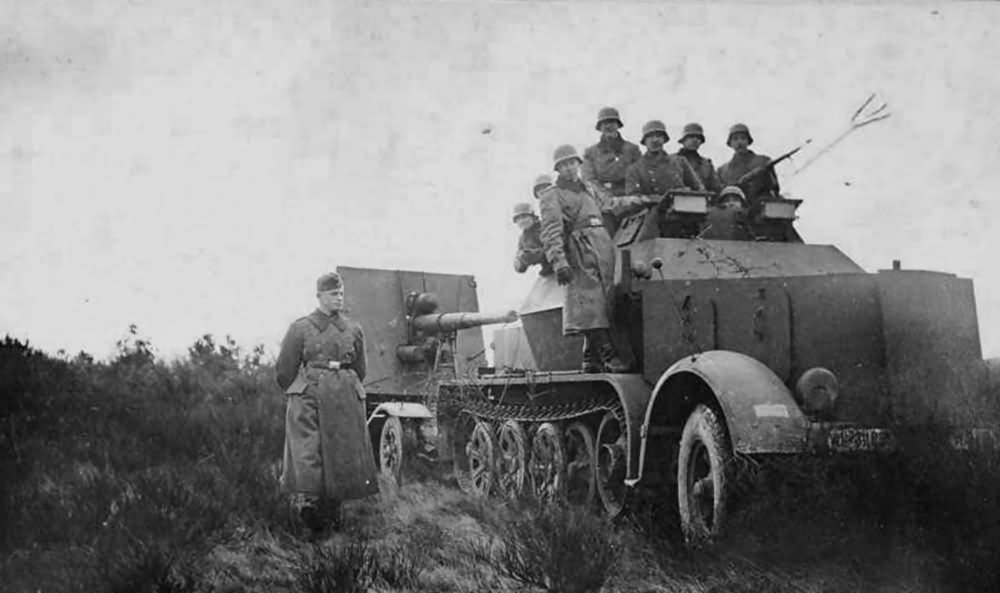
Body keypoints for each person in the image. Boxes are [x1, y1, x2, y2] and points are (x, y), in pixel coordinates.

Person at [275, 272, 378, 538]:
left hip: (343, 396)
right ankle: (310, 514)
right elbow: (285, 370)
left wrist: (343, 384)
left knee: (341, 453)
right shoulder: (301, 328)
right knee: (310, 452)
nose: (338, 298)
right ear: (319, 296)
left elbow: (360, 369)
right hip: (310, 397)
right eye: (333, 294)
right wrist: (307, 388)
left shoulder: (354, 329)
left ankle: (334, 513)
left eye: (341, 293)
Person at [538, 144, 651, 373]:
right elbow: (551, 231)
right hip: (579, 250)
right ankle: (608, 355)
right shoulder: (552, 195)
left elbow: (612, 204)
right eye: (564, 165)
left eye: (572, 163)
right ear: (557, 169)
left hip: (602, 246)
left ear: (579, 164)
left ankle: (590, 359)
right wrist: (559, 262)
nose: (569, 168)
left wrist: (643, 200)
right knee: (590, 304)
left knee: (605, 301)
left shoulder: (590, 188)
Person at [624, 120, 706, 197]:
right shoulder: (634, 169)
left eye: (659, 136)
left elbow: (698, 189)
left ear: (664, 139)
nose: (655, 140)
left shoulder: (680, 162)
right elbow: (633, 196)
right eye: (651, 137)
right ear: (644, 141)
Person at [581, 106, 643, 197]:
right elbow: (588, 179)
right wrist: (605, 196)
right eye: (604, 123)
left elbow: (640, 175)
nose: (608, 126)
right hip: (602, 199)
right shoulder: (590, 153)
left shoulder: (632, 149)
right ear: (600, 127)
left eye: (612, 122)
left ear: (618, 125)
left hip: (628, 196)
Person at [717, 123, 780, 204]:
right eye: (735, 139)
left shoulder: (763, 161)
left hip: (759, 208)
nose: (739, 142)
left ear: (748, 141)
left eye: (743, 138)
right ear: (730, 143)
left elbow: (774, 188)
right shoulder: (722, 171)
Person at [675, 123, 722, 193]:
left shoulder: (707, 165)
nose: (695, 140)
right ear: (683, 140)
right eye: (691, 137)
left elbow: (716, 189)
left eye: (698, 138)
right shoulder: (671, 161)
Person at [512, 202, 553, 276]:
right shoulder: (523, 238)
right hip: (547, 270)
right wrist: (520, 262)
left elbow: (554, 248)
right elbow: (519, 263)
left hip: (559, 266)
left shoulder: (544, 228)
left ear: (533, 217)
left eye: (524, 216)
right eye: (518, 219)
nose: (522, 221)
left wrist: (534, 254)